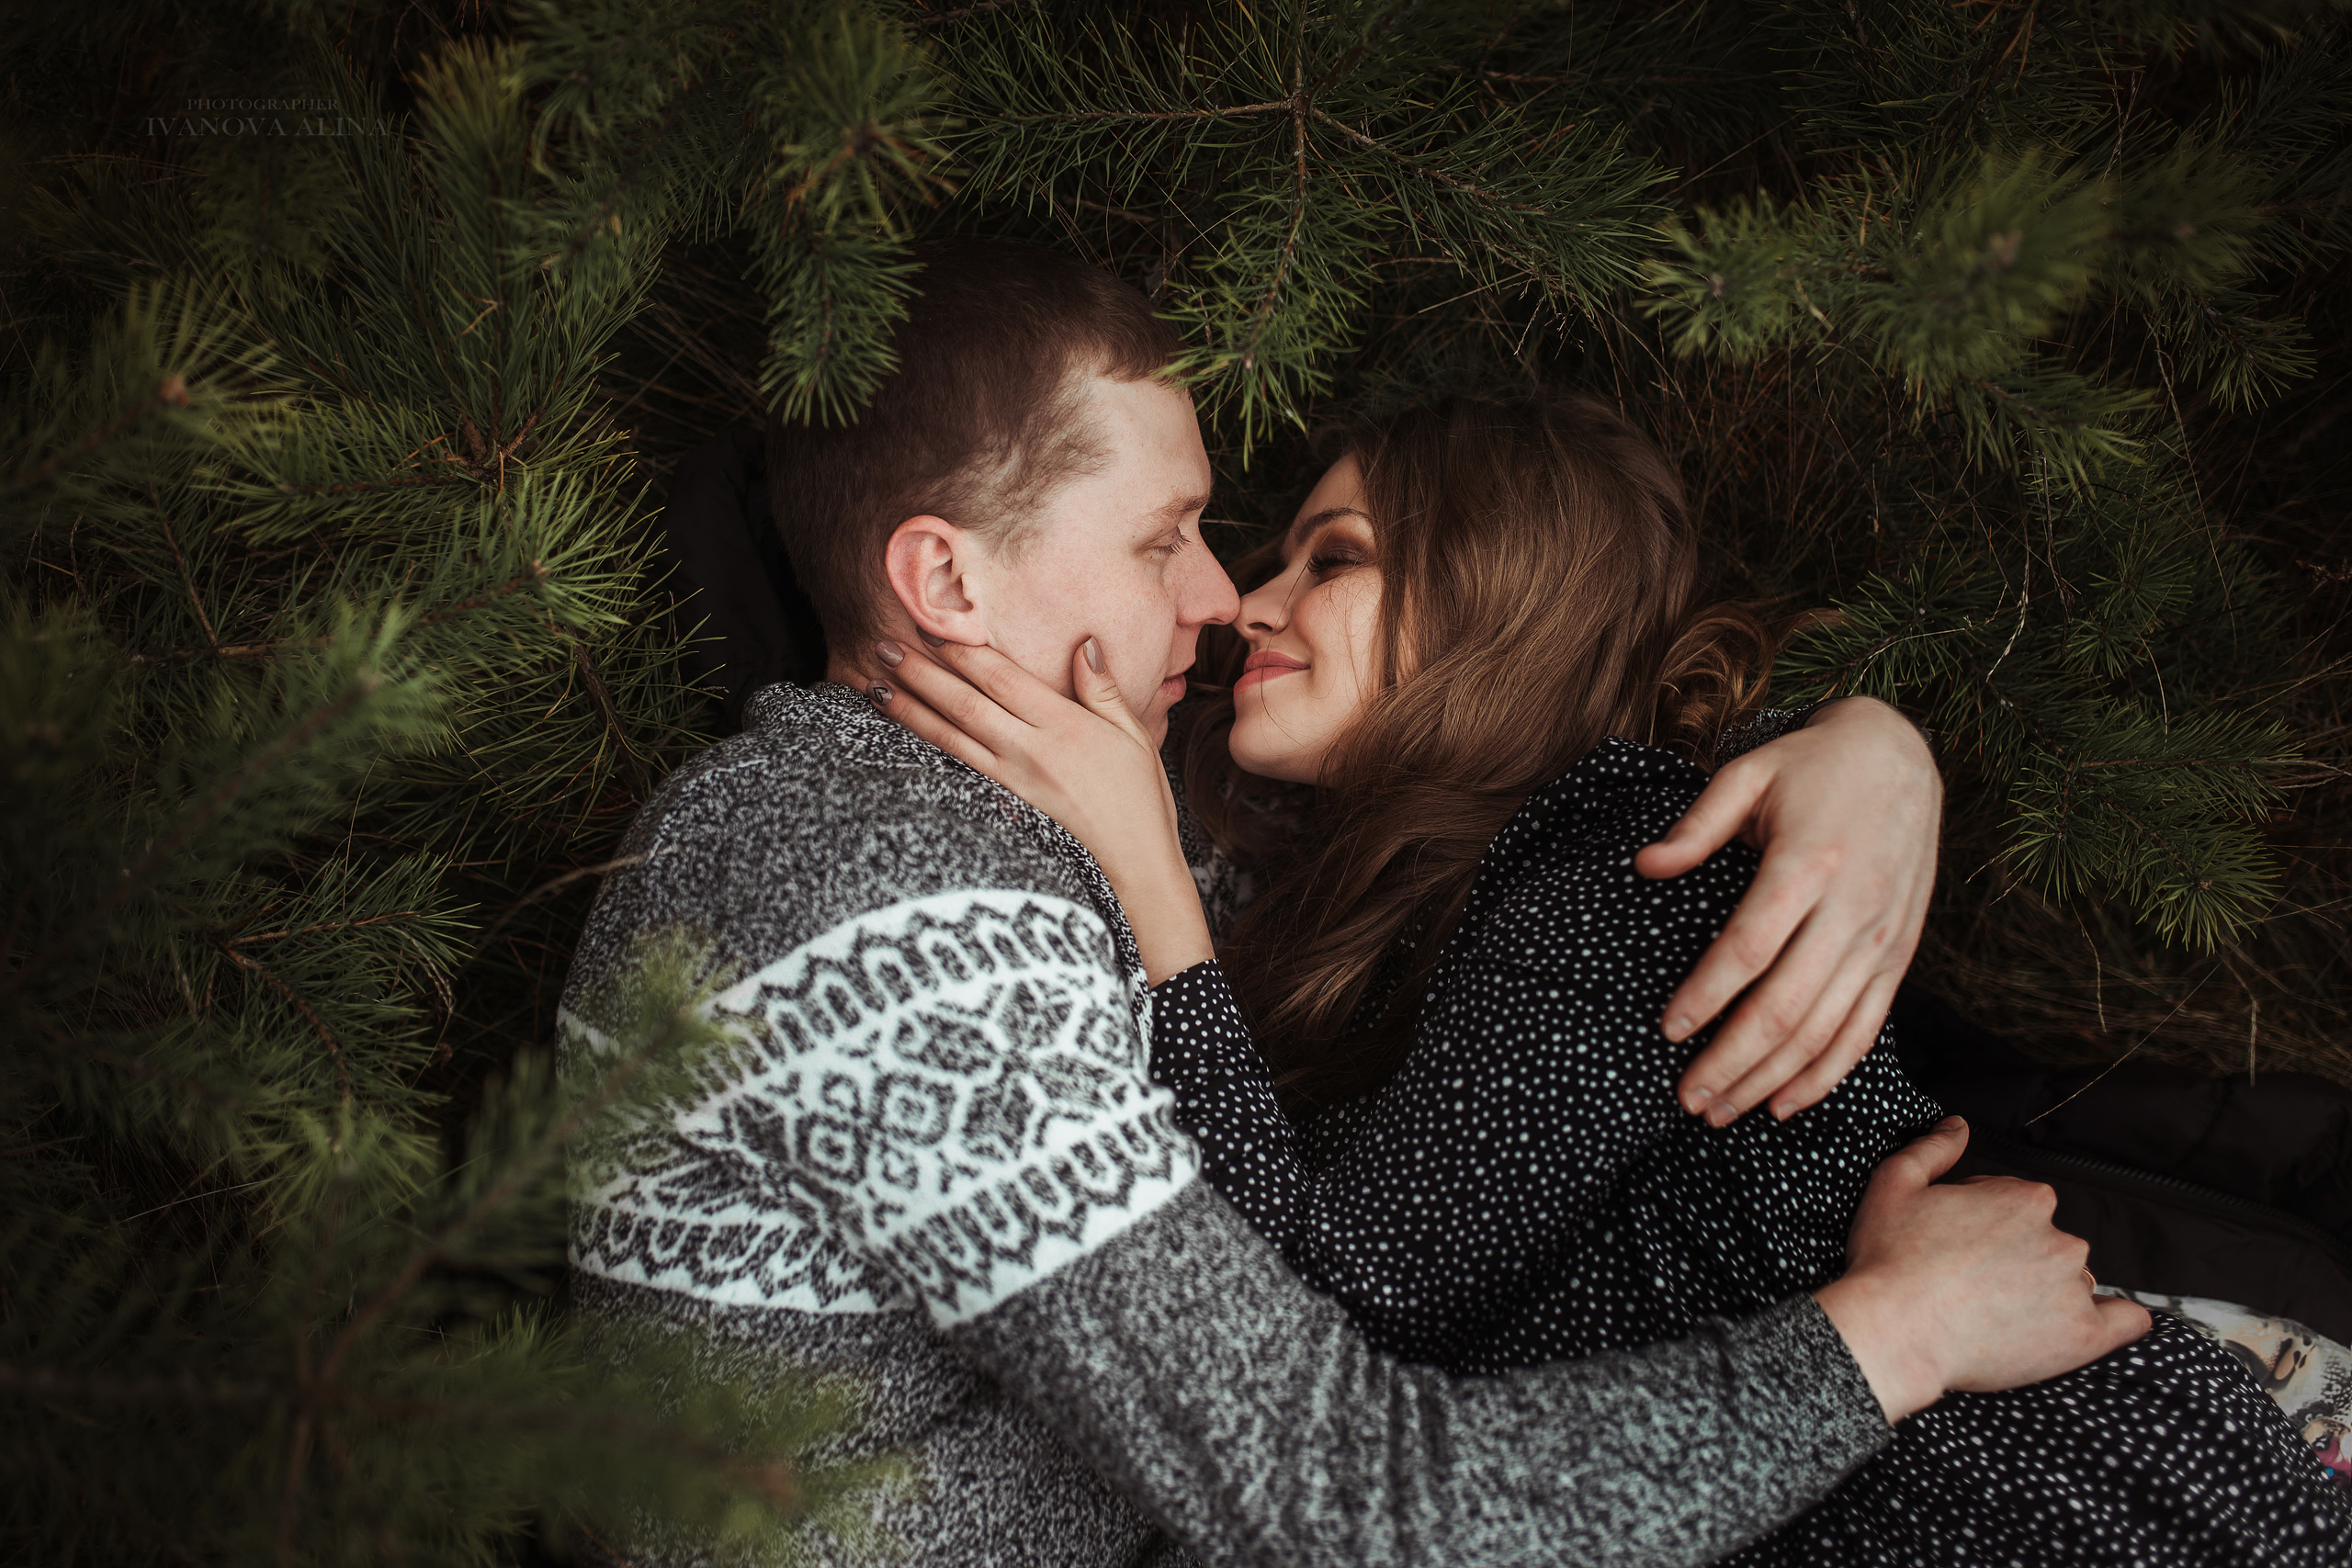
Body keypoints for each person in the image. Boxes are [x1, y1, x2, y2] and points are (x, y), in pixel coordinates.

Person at [561, 237, 2143, 1568]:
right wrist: (1903, 1334)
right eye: (1163, 536)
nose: (1219, 598)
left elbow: (1516, 794)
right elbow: (1351, 1494)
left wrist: (1868, 752)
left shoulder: (1074, 815)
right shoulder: (885, 898)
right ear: (950, 585)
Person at [876, 392, 2352, 1562]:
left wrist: (1154, 912)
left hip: (2025, 1504)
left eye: (1335, 559)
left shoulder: (1637, 866)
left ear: (1495, 601)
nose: (1251, 601)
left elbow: (1336, 1325)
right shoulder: (1427, 898)